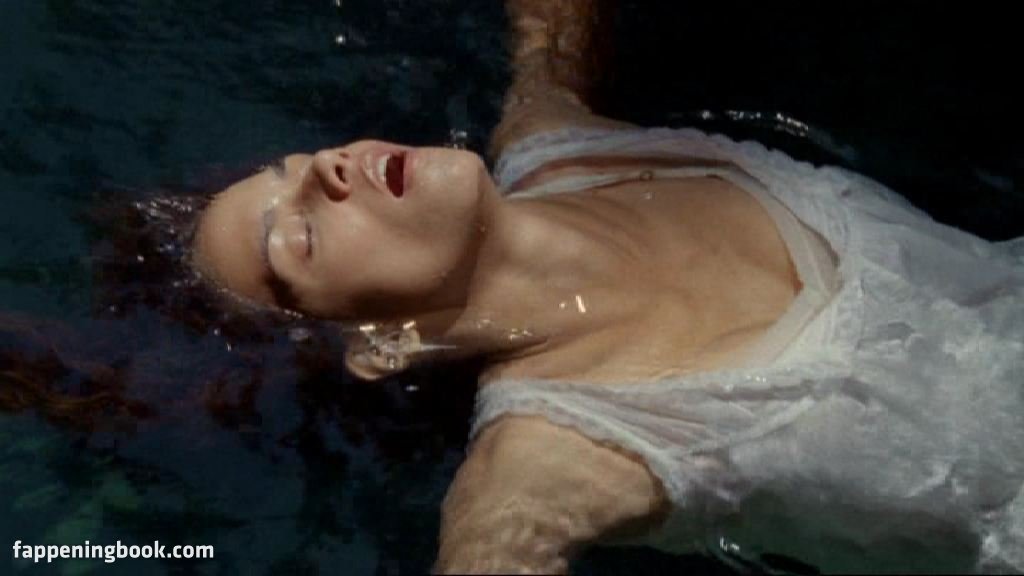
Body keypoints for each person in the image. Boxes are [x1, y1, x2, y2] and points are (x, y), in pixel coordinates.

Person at [192, 0, 1024, 573]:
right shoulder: (551, 459)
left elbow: (547, 38)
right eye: (299, 235)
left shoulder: (562, 146)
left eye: (298, 164)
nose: (328, 169)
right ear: (380, 347)